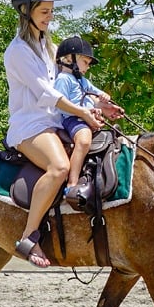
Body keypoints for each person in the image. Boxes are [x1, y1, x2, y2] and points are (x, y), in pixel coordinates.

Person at [4, 0, 105, 268]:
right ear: (26, 11)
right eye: (44, 11)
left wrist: (95, 105)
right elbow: (46, 94)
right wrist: (82, 113)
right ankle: (28, 237)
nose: (51, 16)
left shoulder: (49, 45)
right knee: (59, 166)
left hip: (54, 120)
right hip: (30, 126)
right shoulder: (18, 52)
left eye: (51, 10)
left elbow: (69, 80)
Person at [53, 36, 124, 208]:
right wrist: (83, 113)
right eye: (85, 61)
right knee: (84, 141)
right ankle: (72, 183)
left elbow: (96, 94)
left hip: (86, 118)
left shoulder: (82, 80)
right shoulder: (63, 79)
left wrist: (106, 100)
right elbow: (60, 105)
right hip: (73, 120)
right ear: (69, 59)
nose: (87, 67)